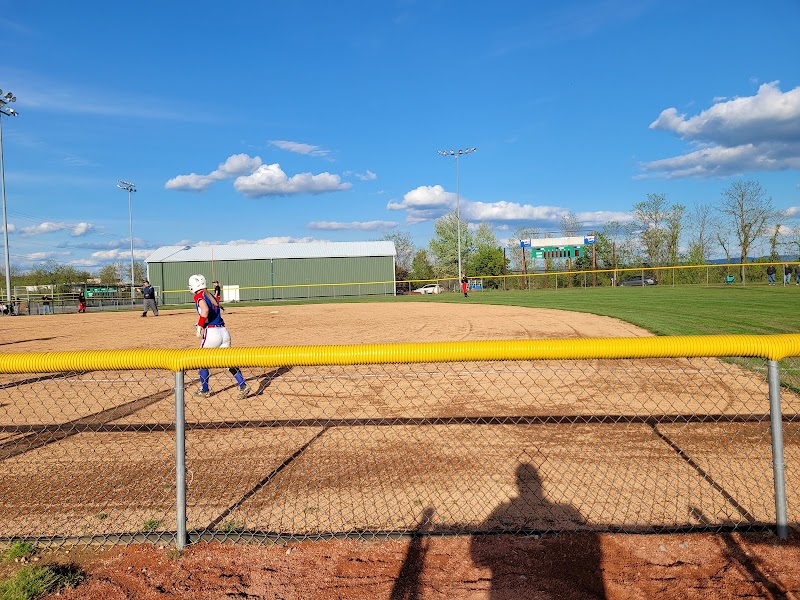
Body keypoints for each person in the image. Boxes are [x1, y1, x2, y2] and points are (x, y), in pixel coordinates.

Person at [188, 274, 250, 398]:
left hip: (212, 333)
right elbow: (213, 311)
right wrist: (218, 288)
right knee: (228, 362)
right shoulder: (211, 295)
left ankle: (205, 390)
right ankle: (243, 385)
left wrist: (200, 325)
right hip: (224, 332)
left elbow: (205, 311)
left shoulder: (199, 296)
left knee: (202, 362)